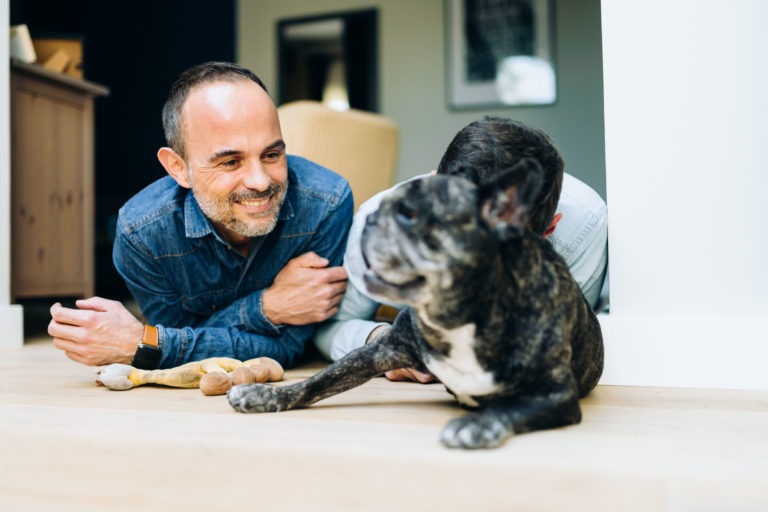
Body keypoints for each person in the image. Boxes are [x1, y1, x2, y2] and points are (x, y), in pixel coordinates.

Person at [49, 61, 354, 370]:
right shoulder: (142, 234)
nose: (261, 182)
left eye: (272, 155)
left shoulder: (326, 204)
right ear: (178, 169)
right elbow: (179, 351)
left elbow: (289, 348)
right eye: (231, 162)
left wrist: (144, 342)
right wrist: (267, 308)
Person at [313, 116, 608, 382]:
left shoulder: (583, 228)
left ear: (549, 230)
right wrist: (380, 340)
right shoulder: (377, 222)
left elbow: (581, 340)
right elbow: (331, 328)